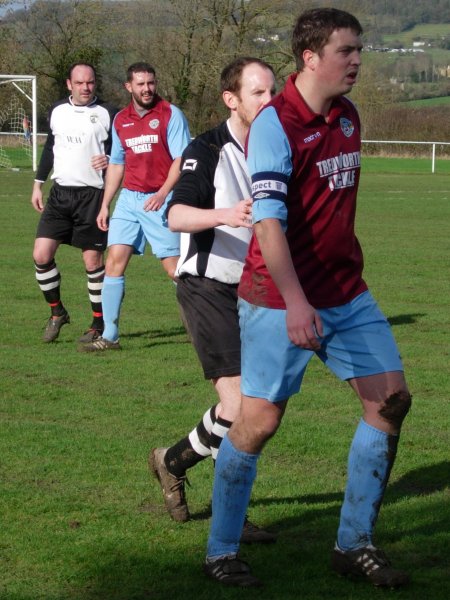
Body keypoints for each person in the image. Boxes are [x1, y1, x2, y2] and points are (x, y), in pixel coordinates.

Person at [203, 8, 412, 588]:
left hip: (347, 292)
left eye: (359, 50)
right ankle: (221, 549)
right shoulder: (276, 124)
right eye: (346, 51)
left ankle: (353, 544)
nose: (357, 60)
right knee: (259, 421)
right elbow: (268, 224)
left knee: (390, 402)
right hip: (278, 296)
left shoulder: (347, 115)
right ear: (310, 57)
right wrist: (297, 303)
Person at [150, 58, 277, 543]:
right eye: (258, 94)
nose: (269, 102)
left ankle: (172, 460)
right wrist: (227, 213)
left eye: (272, 92)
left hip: (255, 290)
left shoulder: (273, 146)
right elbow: (176, 215)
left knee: (251, 408)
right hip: (206, 286)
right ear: (232, 99)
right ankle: (231, 521)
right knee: (242, 405)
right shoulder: (205, 149)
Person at [81, 62, 191, 352]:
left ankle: (200, 323)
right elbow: (117, 163)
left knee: (175, 270)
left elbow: (181, 160)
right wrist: (106, 204)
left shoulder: (170, 114)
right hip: (129, 200)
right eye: (140, 84)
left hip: (161, 200)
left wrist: (164, 193)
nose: (147, 89)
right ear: (128, 87)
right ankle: (110, 335)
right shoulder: (120, 120)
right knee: (114, 262)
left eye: (150, 83)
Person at [31, 63, 117, 344]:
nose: (85, 88)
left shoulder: (108, 113)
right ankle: (57, 313)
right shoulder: (57, 110)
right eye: (80, 83)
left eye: (90, 82)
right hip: (60, 194)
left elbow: (120, 151)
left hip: (92, 196)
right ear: (69, 84)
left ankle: (98, 323)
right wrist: (38, 183)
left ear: (95, 83)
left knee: (92, 261)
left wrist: (109, 158)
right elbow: (50, 148)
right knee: (41, 255)